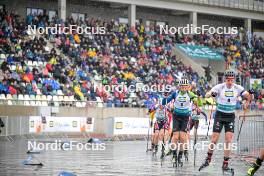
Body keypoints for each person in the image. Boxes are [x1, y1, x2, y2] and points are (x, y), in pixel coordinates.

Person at [199, 69, 252, 174]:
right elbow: (207, 94)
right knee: (214, 139)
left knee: (228, 140)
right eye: (228, 80)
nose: (230, 82)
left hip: (230, 116)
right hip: (219, 115)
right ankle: (208, 159)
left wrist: (247, 102)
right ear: (225, 79)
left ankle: (225, 164)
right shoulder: (220, 87)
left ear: (234, 80)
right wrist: (211, 94)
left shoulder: (238, 88)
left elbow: (248, 96)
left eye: (232, 80)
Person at [162, 78, 200, 167]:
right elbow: (164, 103)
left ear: (188, 87)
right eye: (182, 86)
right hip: (176, 116)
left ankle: (180, 155)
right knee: (175, 136)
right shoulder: (175, 93)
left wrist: (198, 97)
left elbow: (199, 104)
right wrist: (165, 97)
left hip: (185, 117)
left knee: (183, 138)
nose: (183, 88)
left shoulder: (190, 94)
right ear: (179, 87)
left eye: (185, 86)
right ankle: (174, 155)